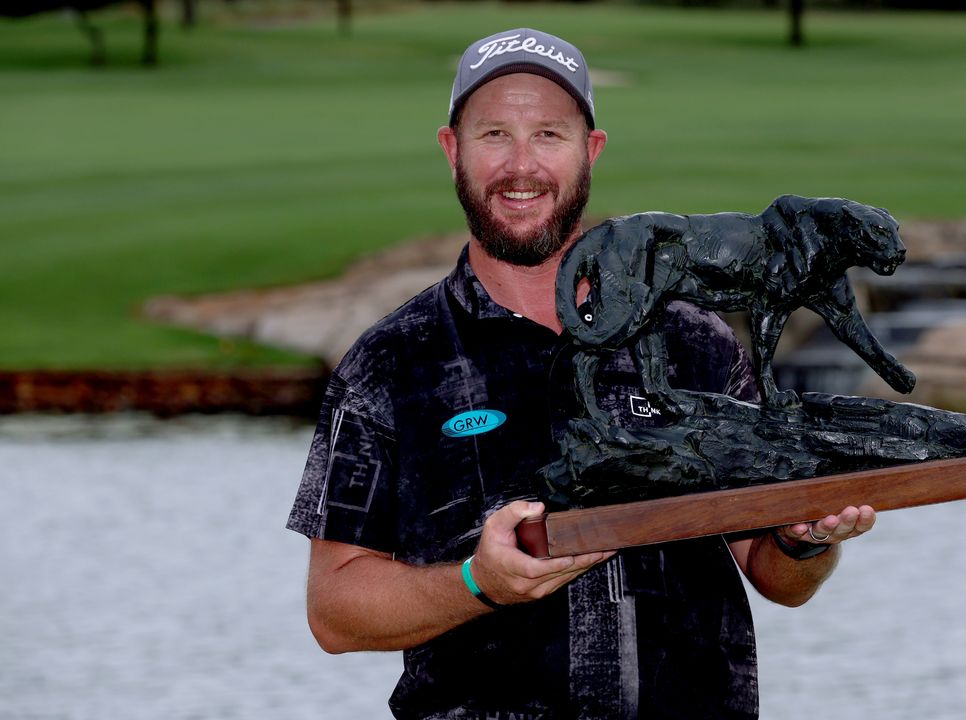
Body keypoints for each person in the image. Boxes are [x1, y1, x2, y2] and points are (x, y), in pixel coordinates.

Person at [287, 27, 876, 719]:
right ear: (453, 151)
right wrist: (480, 581)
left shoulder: (694, 342)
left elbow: (777, 574)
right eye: (494, 134)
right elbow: (336, 611)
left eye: (548, 135)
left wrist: (803, 539)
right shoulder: (388, 365)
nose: (521, 166)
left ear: (589, 150)